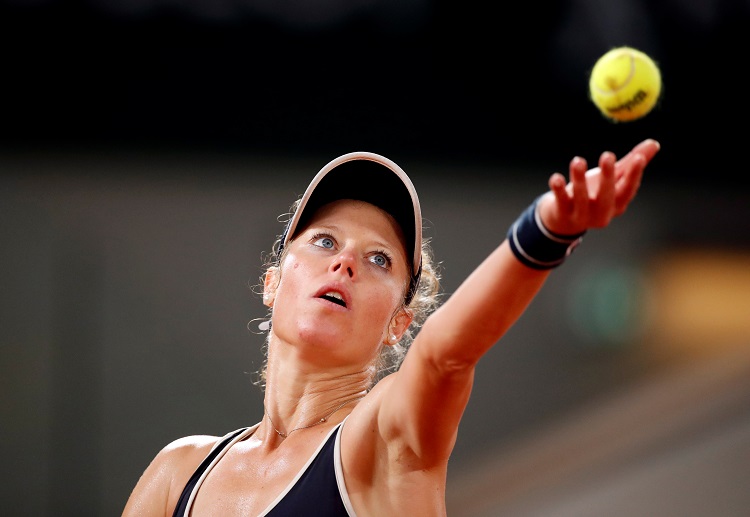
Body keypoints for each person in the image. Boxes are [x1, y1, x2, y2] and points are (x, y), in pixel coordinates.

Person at [122, 139, 661, 516]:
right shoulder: (179, 473)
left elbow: (444, 356)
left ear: (398, 325)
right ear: (271, 282)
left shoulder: (382, 441)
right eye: (325, 241)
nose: (345, 263)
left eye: (379, 259)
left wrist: (545, 231)